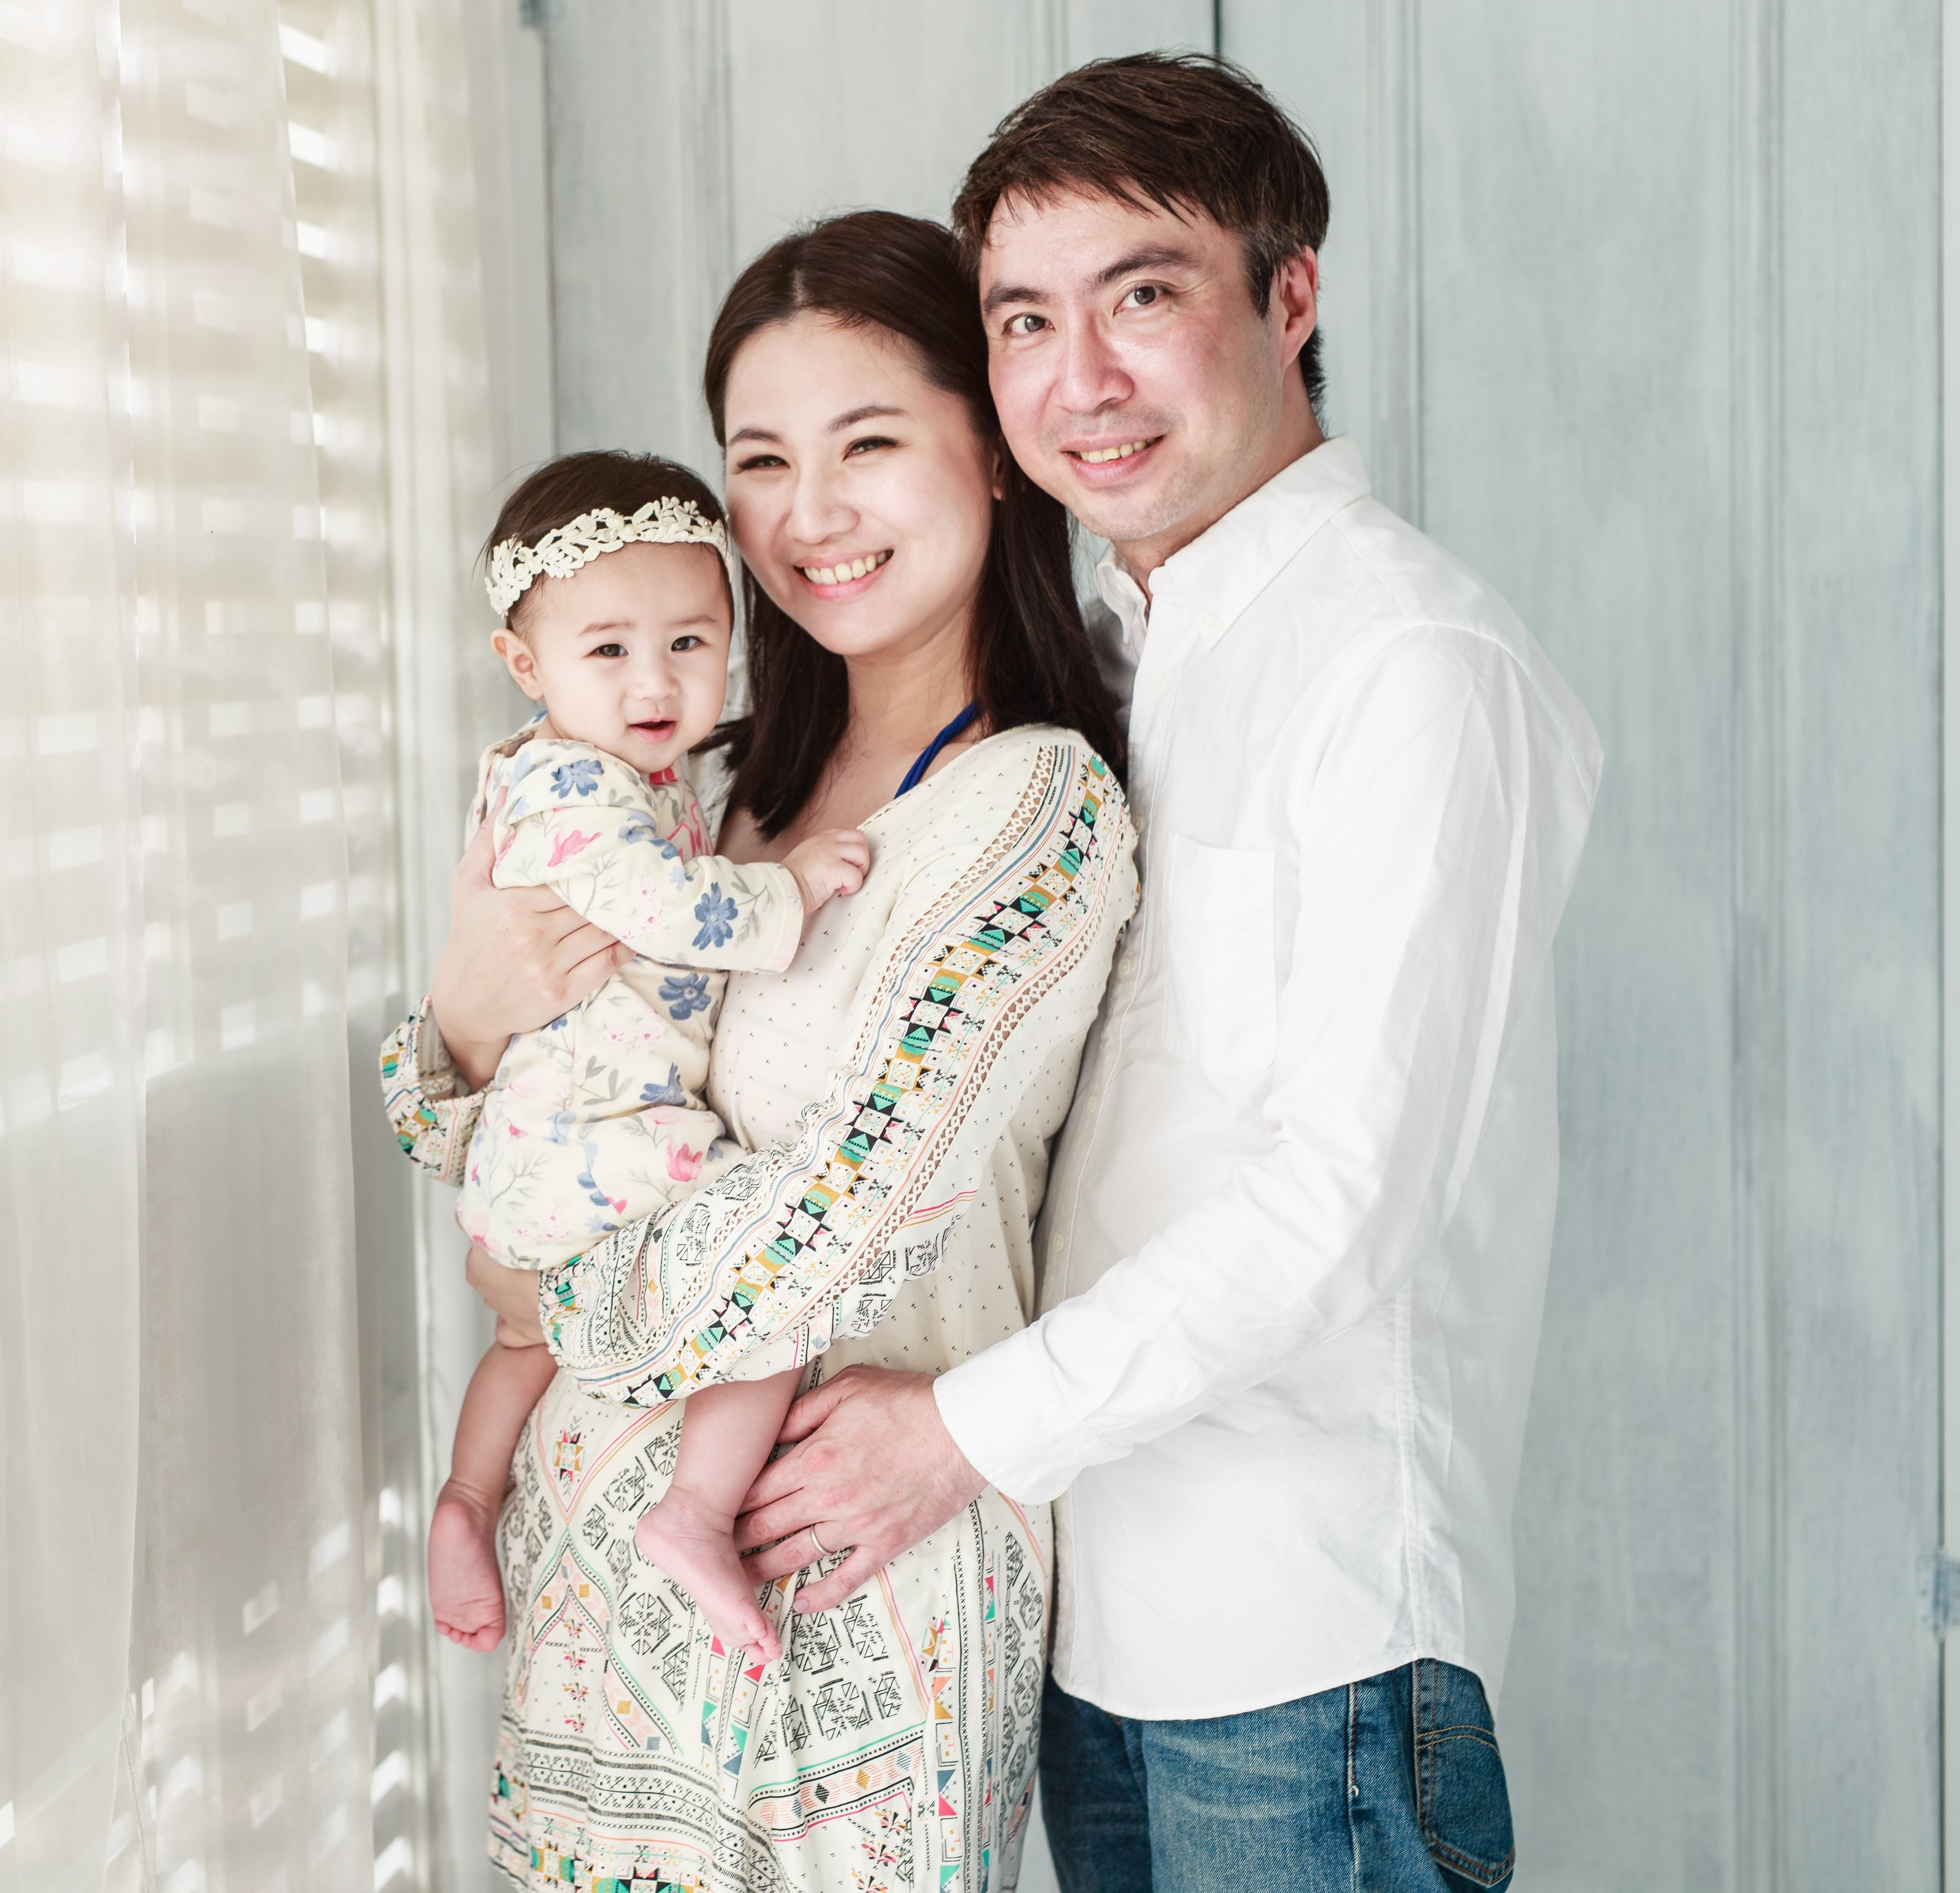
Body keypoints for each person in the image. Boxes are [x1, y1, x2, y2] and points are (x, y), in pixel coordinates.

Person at [723, 55, 1601, 1891]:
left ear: (1291, 297)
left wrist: (953, 1435)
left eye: (1142, 296)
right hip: (1090, 1617)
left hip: (1306, 1637)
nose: (1081, 380)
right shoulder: (1114, 661)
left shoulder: (1409, 665)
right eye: (1023, 322)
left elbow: (1345, 1201)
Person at [382, 211, 1134, 1888]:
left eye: (867, 445)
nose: (810, 513)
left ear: (993, 448)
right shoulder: (706, 799)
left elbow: (850, 1211)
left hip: (832, 1619)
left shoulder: (1029, 809)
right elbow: (517, 1113)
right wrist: (465, 1022)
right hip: (594, 1615)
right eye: (763, 462)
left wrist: (542, 1290)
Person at [417, 450, 875, 1664]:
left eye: (689, 641)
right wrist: (788, 889)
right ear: (526, 665)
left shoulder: (621, 771)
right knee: (773, 1288)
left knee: (522, 1342)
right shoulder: (576, 789)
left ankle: (466, 1498)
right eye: (609, 649)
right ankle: (697, 1512)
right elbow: (669, 912)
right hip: (606, 1136)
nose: (655, 680)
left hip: (545, 1143)